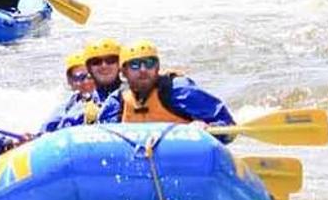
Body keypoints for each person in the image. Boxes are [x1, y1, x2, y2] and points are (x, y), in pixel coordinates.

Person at [96, 40, 236, 139]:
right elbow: (102, 137)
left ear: (157, 68)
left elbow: (229, 126)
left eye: (149, 63)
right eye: (135, 65)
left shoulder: (179, 91)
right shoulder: (117, 100)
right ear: (123, 72)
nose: (143, 70)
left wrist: (208, 128)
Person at [39, 38, 122, 133]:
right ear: (89, 68)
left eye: (111, 60)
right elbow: (50, 132)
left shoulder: (130, 95)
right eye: (96, 62)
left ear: (120, 65)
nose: (104, 66)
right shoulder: (77, 104)